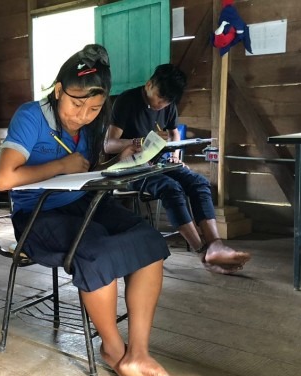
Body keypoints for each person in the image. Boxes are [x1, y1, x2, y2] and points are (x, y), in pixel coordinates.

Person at [0, 45, 172, 376]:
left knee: (149, 241)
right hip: (38, 213)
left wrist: (121, 162)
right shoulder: (32, 116)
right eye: (76, 104)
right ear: (59, 90)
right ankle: (114, 350)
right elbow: (4, 179)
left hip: (83, 200)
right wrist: (60, 164)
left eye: (94, 108)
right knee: (96, 249)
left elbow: (88, 169)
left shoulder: (92, 124)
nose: (82, 115)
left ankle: (139, 353)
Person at [104, 63, 251, 275]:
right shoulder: (127, 101)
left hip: (157, 163)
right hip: (130, 166)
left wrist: (175, 155)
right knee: (170, 187)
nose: (162, 104)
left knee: (198, 182)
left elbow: (174, 135)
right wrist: (138, 142)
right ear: (149, 84)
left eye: (167, 101)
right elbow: (108, 144)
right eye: (159, 98)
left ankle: (216, 245)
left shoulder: (168, 105)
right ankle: (203, 252)